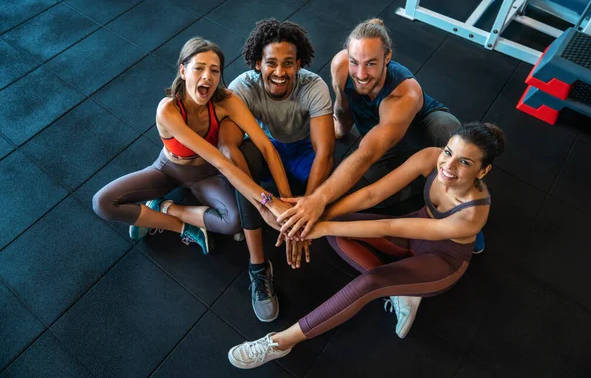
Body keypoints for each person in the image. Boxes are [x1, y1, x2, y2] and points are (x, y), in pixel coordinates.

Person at [227, 122, 504, 369]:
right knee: (338, 229)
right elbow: (374, 193)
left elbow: (391, 226)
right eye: (448, 152)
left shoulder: (472, 215)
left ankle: (281, 342)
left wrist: (319, 228)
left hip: (442, 259)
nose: (448, 166)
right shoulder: (430, 158)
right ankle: (400, 290)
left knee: (370, 282)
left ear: (484, 170)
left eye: (465, 163)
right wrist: (309, 212)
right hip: (414, 232)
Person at [93, 37, 292, 253]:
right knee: (102, 203)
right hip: (169, 170)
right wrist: (268, 202)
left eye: (215, 71)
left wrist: (287, 203)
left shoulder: (226, 101)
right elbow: (221, 161)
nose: (207, 75)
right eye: (199, 68)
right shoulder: (168, 110)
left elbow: (266, 146)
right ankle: (180, 224)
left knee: (234, 222)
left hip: (206, 175)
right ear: (183, 71)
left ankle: (164, 207)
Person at [276, 18, 461, 241]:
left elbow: (366, 154)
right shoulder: (341, 66)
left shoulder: (403, 95)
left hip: (415, 129)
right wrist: (342, 131)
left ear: (388, 58)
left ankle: (456, 200)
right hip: (381, 135)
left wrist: (317, 199)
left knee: (452, 133)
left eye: (371, 64)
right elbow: (342, 106)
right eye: (355, 62)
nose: (361, 74)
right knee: (355, 200)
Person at [219, 19, 334, 323]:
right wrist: (265, 203)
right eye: (271, 63)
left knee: (333, 196)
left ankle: (298, 208)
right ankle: (258, 266)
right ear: (258, 63)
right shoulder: (242, 86)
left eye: (288, 64)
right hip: (264, 146)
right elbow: (228, 147)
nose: (279, 72)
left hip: (302, 151)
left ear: (299, 63)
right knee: (238, 165)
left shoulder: (314, 86)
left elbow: (325, 150)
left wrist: (303, 213)